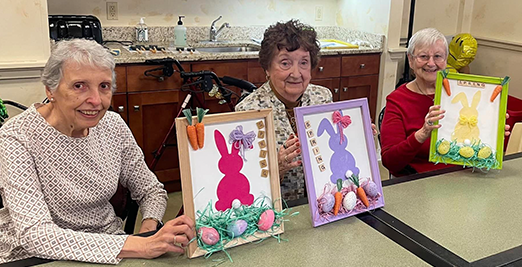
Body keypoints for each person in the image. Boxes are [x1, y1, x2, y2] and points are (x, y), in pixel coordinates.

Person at [0, 39, 195, 264]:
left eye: (103, 86)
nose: (95, 101)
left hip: (110, 242)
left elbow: (151, 190)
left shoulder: (113, 125)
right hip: (32, 256)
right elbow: (36, 235)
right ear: (50, 90)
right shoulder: (17, 136)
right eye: (79, 86)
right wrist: (139, 245)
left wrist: (148, 232)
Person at [380, 28, 510, 177]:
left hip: (467, 175)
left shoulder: (462, 92)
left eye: (437, 56)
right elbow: (390, 161)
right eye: (423, 56)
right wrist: (422, 134)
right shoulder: (398, 100)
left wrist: (492, 131)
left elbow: (479, 149)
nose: (431, 63)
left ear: (446, 59)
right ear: (410, 60)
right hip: (420, 181)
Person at [235, 20, 332, 201]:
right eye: (285, 63)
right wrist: (277, 167)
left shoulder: (323, 97)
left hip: (323, 203)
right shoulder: (248, 111)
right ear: (267, 68)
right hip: (276, 211)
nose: (296, 73)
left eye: (304, 63)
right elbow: (244, 182)